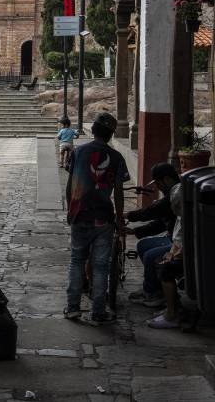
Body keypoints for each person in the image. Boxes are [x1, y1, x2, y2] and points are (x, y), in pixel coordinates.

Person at [64, 113, 130, 326]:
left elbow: (70, 184)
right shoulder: (117, 158)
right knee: (101, 266)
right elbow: (118, 192)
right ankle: (98, 311)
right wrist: (119, 218)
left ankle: (73, 308)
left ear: (92, 130)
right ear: (111, 134)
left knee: (77, 260)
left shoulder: (78, 152)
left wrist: (70, 209)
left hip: (80, 213)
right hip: (103, 217)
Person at [123, 162, 180, 308]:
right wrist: (136, 231)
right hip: (172, 237)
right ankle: (153, 287)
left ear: (166, 179)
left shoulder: (175, 195)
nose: (157, 187)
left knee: (150, 255)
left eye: (158, 182)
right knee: (143, 245)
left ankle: (153, 294)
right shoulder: (172, 193)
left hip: (179, 242)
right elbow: (161, 222)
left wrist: (128, 215)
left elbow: (152, 211)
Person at [147, 183, 185, 329]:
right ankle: (172, 306)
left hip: (190, 259)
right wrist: (171, 253)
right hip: (179, 252)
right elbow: (178, 241)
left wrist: (173, 256)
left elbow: (184, 245)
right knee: (160, 260)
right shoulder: (181, 216)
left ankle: (171, 314)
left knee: (165, 268)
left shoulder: (190, 217)